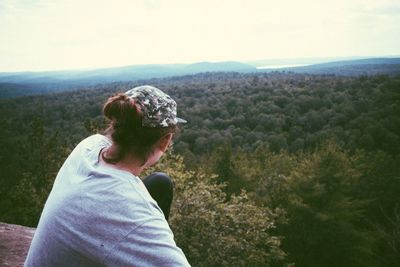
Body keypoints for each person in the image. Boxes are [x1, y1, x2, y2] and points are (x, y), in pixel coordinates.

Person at [24, 85, 191, 266]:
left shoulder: (88, 147)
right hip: (117, 214)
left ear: (116, 123)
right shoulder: (134, 213)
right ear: (165, 141)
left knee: (160, 183)